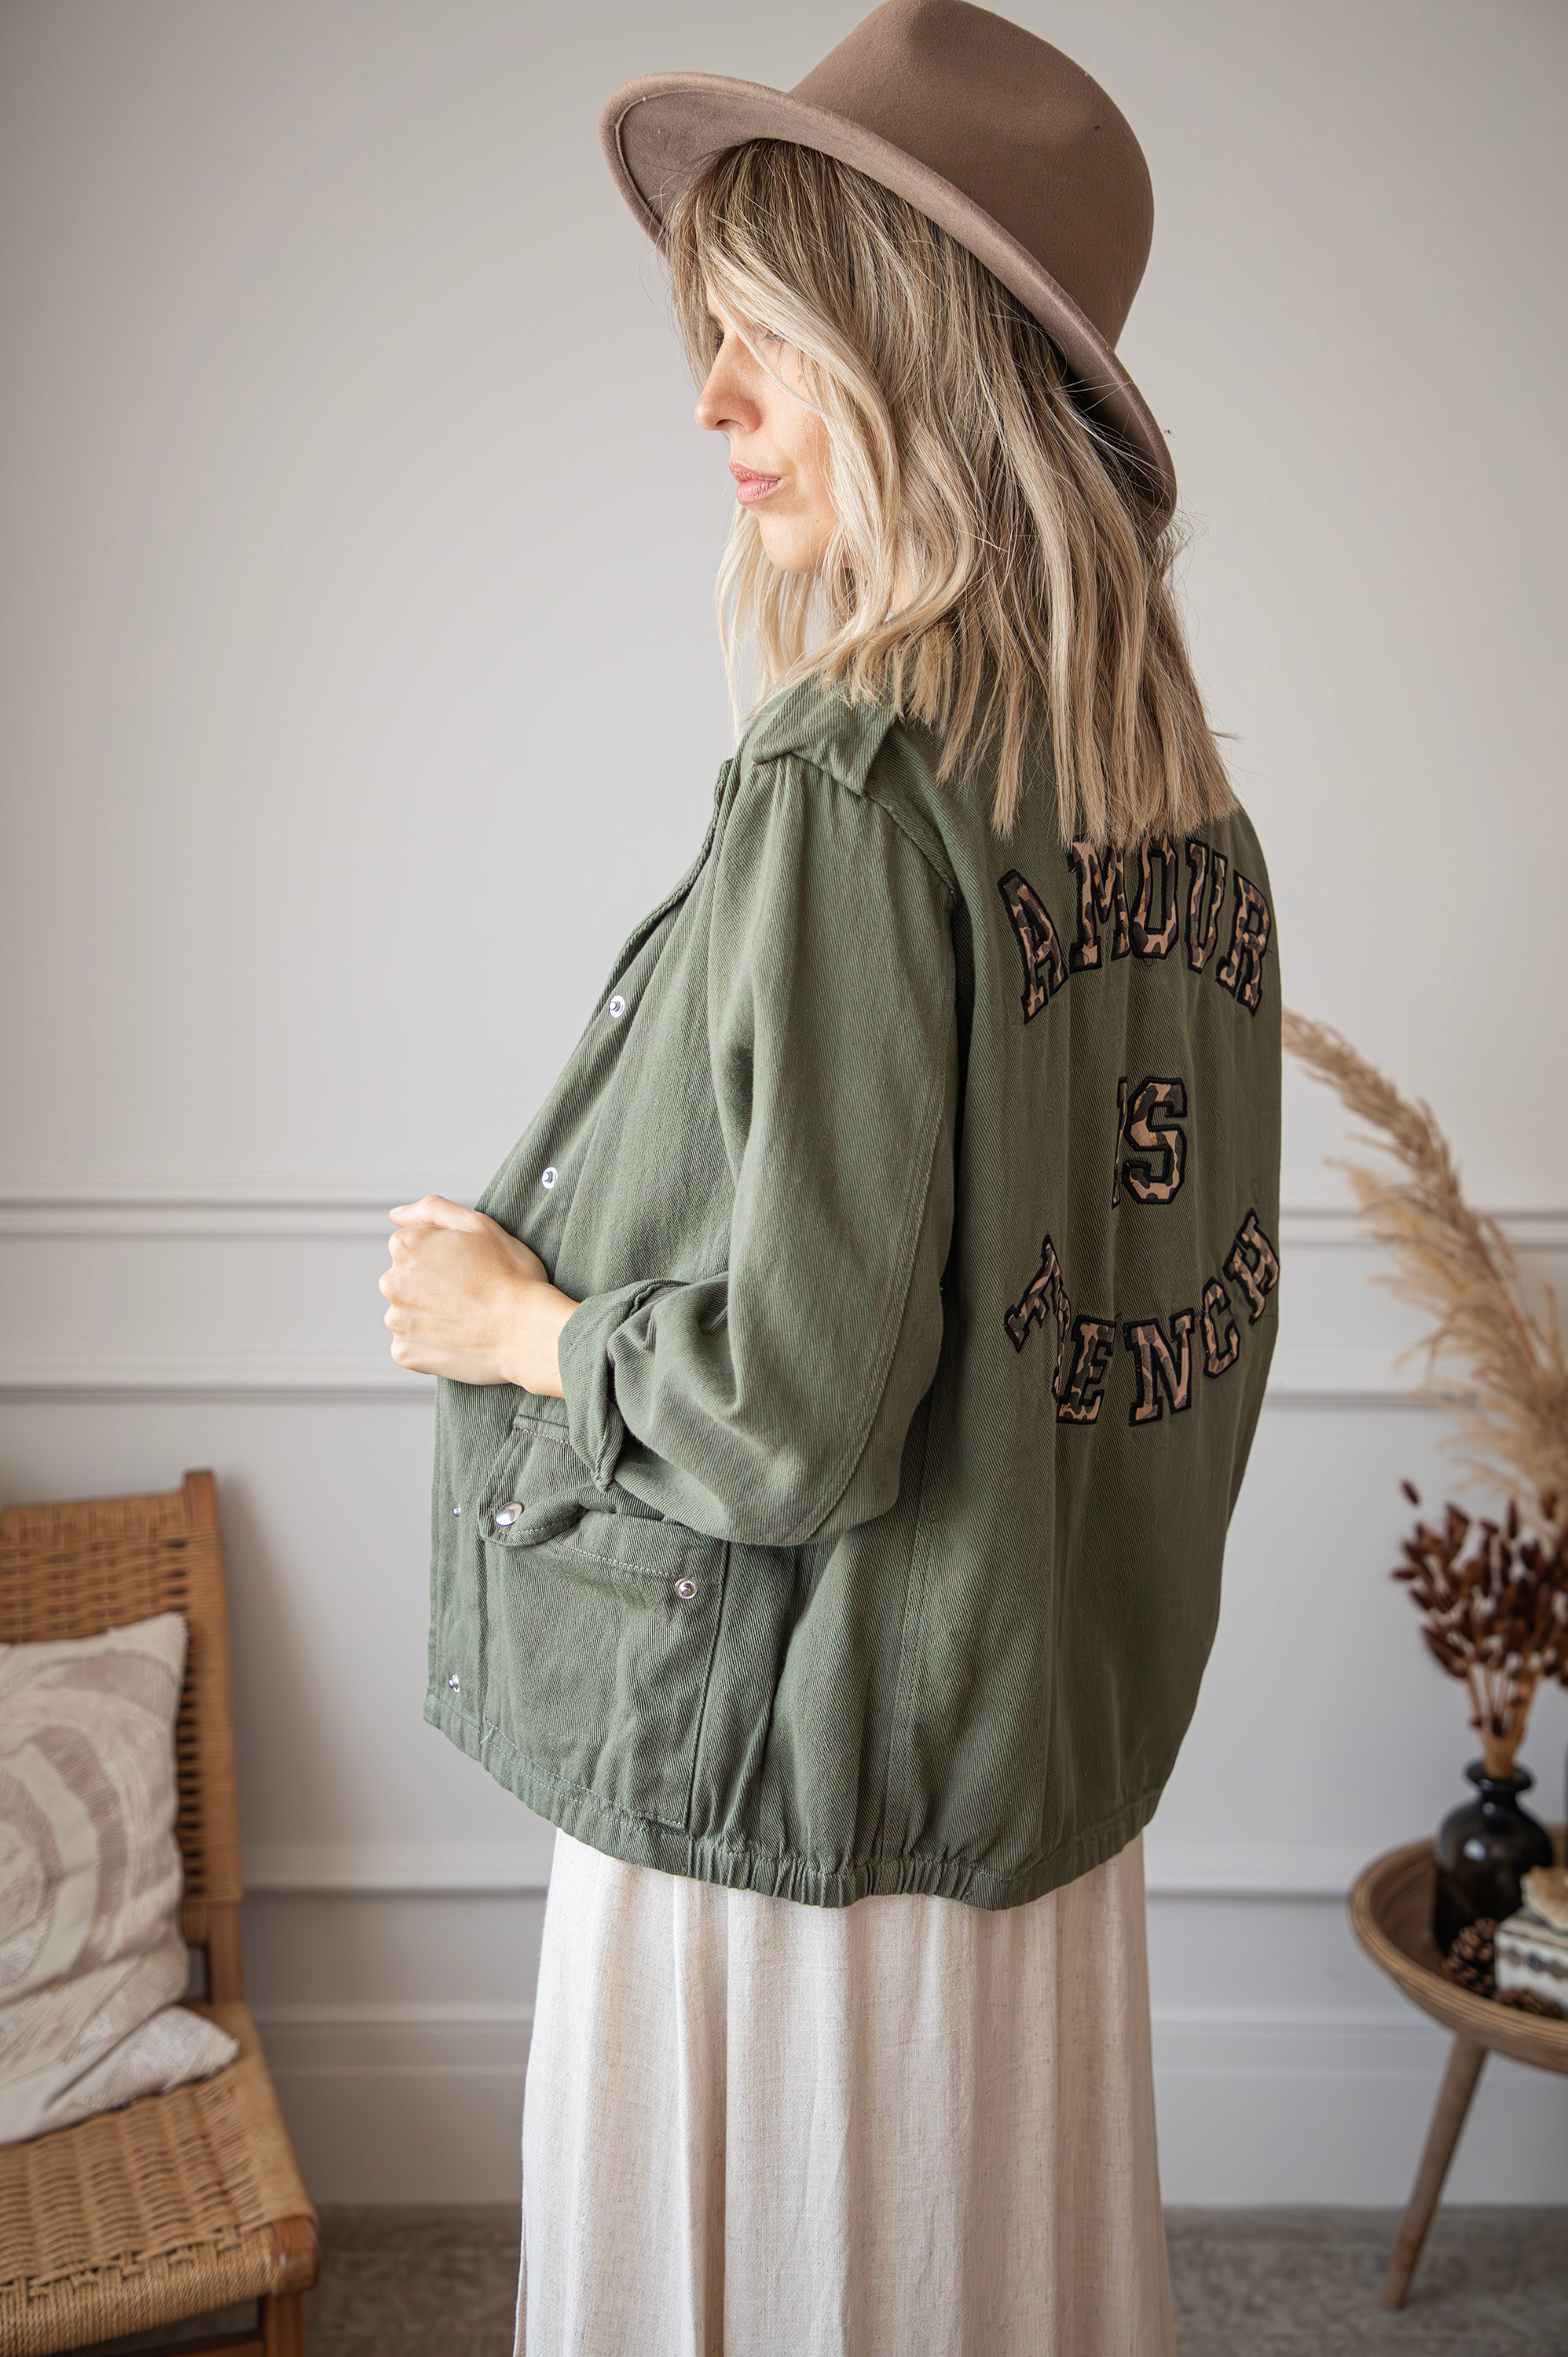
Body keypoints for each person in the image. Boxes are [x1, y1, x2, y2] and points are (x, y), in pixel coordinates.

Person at [377, 3, 1280, 2350]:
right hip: (1032, 1786)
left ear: (918, 358)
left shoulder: (853, 779)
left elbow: (790, 1415)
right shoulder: (1174, 806)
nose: (711, 403)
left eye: (765, 338)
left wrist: (518, 1328)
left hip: (800, 1822)